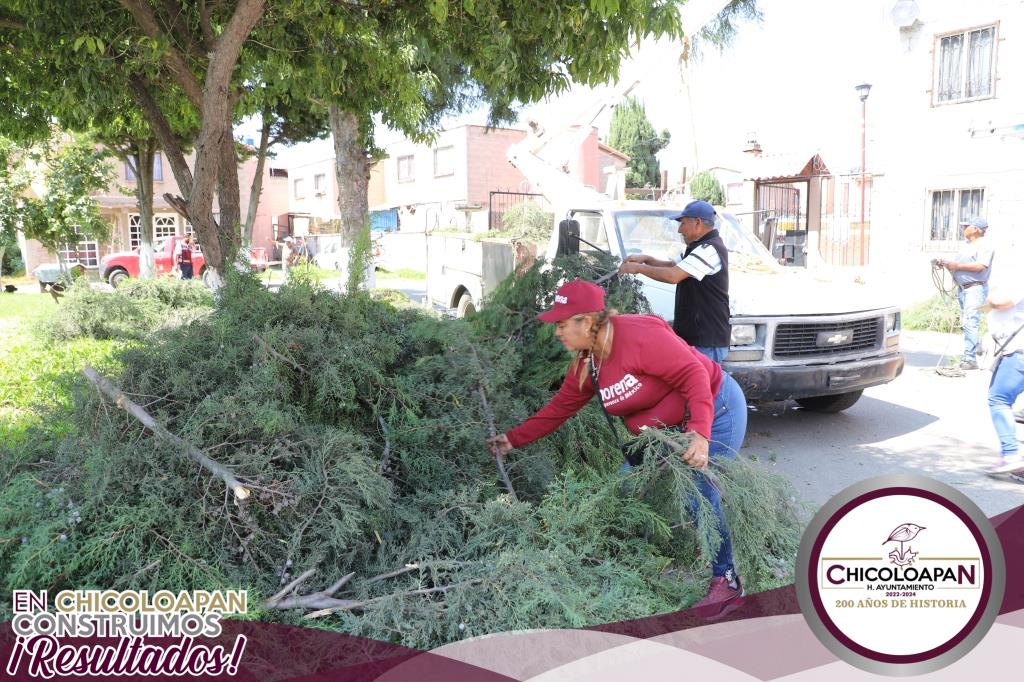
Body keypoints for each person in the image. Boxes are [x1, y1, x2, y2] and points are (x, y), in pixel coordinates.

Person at [486, 279, 748, 618]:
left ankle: (726, 581)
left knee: (697, 495)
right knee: (626, 488)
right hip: (662, 436)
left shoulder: (639, 336)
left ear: (587, 321)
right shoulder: (586, 363)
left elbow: (694, 374)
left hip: (717, 409)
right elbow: (559, 408)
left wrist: (699, 433)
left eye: (562, 324)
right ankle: (642, 558)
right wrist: (512, 438)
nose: (557, 332)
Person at [618, 200, 731, 363]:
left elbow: (673, 275)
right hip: (697, 338)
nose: (679, 230)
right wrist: (646, 259)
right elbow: (672, 265)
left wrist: (638, 269)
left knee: (704, 387)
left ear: (697, 223)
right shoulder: (697, 247)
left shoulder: (710, 250)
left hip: (707, 340)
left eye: (683, 223)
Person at [984, 243, 1024, 476]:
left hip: (1018, 352)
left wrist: (991, 294)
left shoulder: (1017, 277)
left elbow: (1003, 300)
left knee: (998, 399)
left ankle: (1010, 454)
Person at [934, 217, 993, 370]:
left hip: (975, 289)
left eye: (966, 226)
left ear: (975, 229)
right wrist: (946, 264)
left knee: (970, 321)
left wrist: (957, 265)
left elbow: (981, 266)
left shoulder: (985, 245)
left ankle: (970, 359)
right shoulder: (965, 245)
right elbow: (957, 267)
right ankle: (977, 345)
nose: (963, 228)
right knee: (966, 322)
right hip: (963, 288)